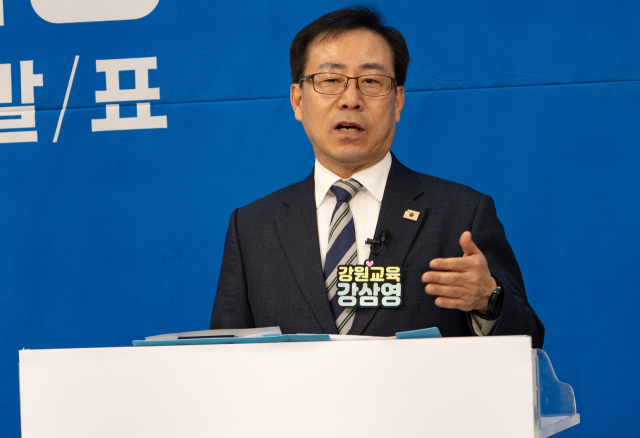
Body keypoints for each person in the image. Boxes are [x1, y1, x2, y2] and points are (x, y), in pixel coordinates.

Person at [210, 5, 544, 348]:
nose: (350, 99)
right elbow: (221, 358)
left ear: (397, 101)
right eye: (330, 81)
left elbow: (528, 344)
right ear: (298, 100)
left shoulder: (461, 215)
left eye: (371, 81)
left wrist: (489, 301)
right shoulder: (252, 228)